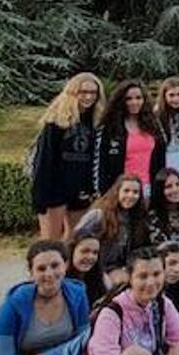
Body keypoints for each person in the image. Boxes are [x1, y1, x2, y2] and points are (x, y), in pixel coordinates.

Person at [31, 72, 105, 240]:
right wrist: (40, 196)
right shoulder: (56, 123)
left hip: (80, 190)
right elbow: (44, 160)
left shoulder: (95, 123)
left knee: (77, 238)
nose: (88, 97)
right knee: (51, 240)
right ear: (73, 93)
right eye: (83, 92)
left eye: (93, 93)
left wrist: (91, 189)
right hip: (54, 189)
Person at [75, 174, 148, 286]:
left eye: (135, 192)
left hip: (119, 266)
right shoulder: (99, 214)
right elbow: (77, 236)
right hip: (96, 266)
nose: (131, 195)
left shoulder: (135, 218)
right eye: (126, 191)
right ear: (117, 191)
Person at [99, 81, 163, 194]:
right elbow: (102, 163)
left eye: (138, 98)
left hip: (147, 188)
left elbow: (160, 160)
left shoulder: (153, 126)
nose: (134, 102)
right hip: (121, 190)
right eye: (129, 99)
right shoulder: (111, 128)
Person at [147, 168, 179, 247]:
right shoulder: (152, 217)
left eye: (178, 184)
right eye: (168, 187)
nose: (175, 190)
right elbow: (159, 246)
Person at [68, 233, 108, 305]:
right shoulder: (61, 280)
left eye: (95, 253)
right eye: (85, 251)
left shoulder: (100, 279)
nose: (90, 257)